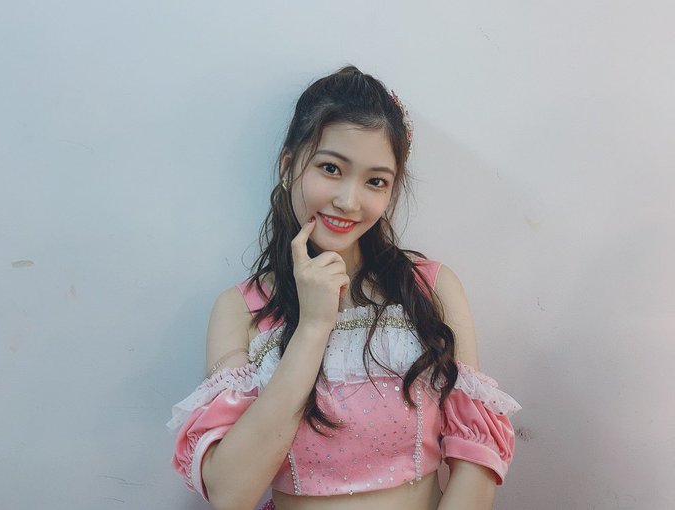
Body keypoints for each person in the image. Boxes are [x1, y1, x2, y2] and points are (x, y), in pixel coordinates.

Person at [166, 65, 522, 510]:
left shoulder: (431, 289)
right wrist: (313, 327)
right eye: (331, 168)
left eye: (375, 181)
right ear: (288, 165)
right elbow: (229, 492)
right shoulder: (240, 310)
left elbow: (476, 461)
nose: (349, 201)